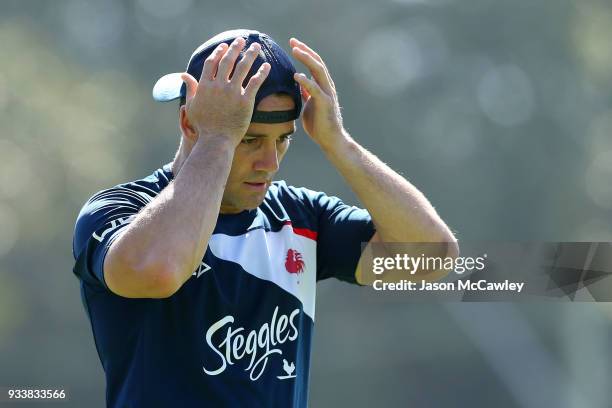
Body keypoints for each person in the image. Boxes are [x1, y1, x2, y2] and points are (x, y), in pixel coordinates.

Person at [72, 29, 458, 408]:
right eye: (250, 140)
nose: (269, 163)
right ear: (190, 123)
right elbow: (158, 270)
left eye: (283, 139)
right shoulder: (121, 210)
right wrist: (219, 139)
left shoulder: (299, 217)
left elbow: (431, 257)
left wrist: (337, 141)